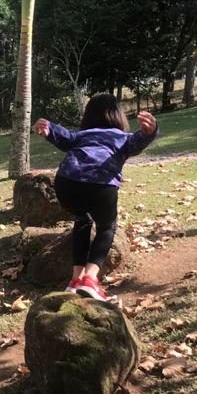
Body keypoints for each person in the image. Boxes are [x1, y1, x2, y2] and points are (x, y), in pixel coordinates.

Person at [33, 93, 158, 301]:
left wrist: (49, 129)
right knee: (106, 227)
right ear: (118, 115)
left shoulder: (83, 135)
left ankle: (75, 280)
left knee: (82, 220)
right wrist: (150, 132)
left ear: (88, 115)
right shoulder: (121, 137)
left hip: (66, 184)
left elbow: (66, 137)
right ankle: (90, 280)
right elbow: (137, 141)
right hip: (100, 184)